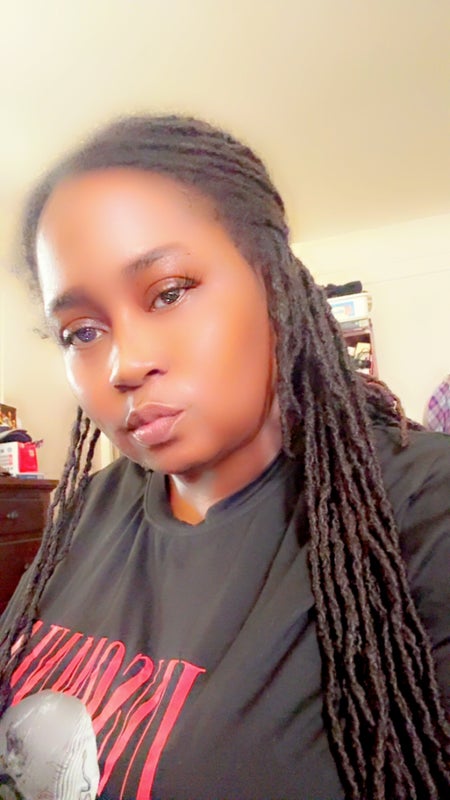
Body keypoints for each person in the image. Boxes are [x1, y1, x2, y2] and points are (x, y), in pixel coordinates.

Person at [0, 115, 448, 800]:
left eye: (169, 292)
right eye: (82, 331)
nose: (124, 364)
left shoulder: (424, 507)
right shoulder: (86, 510)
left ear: (274, 284)